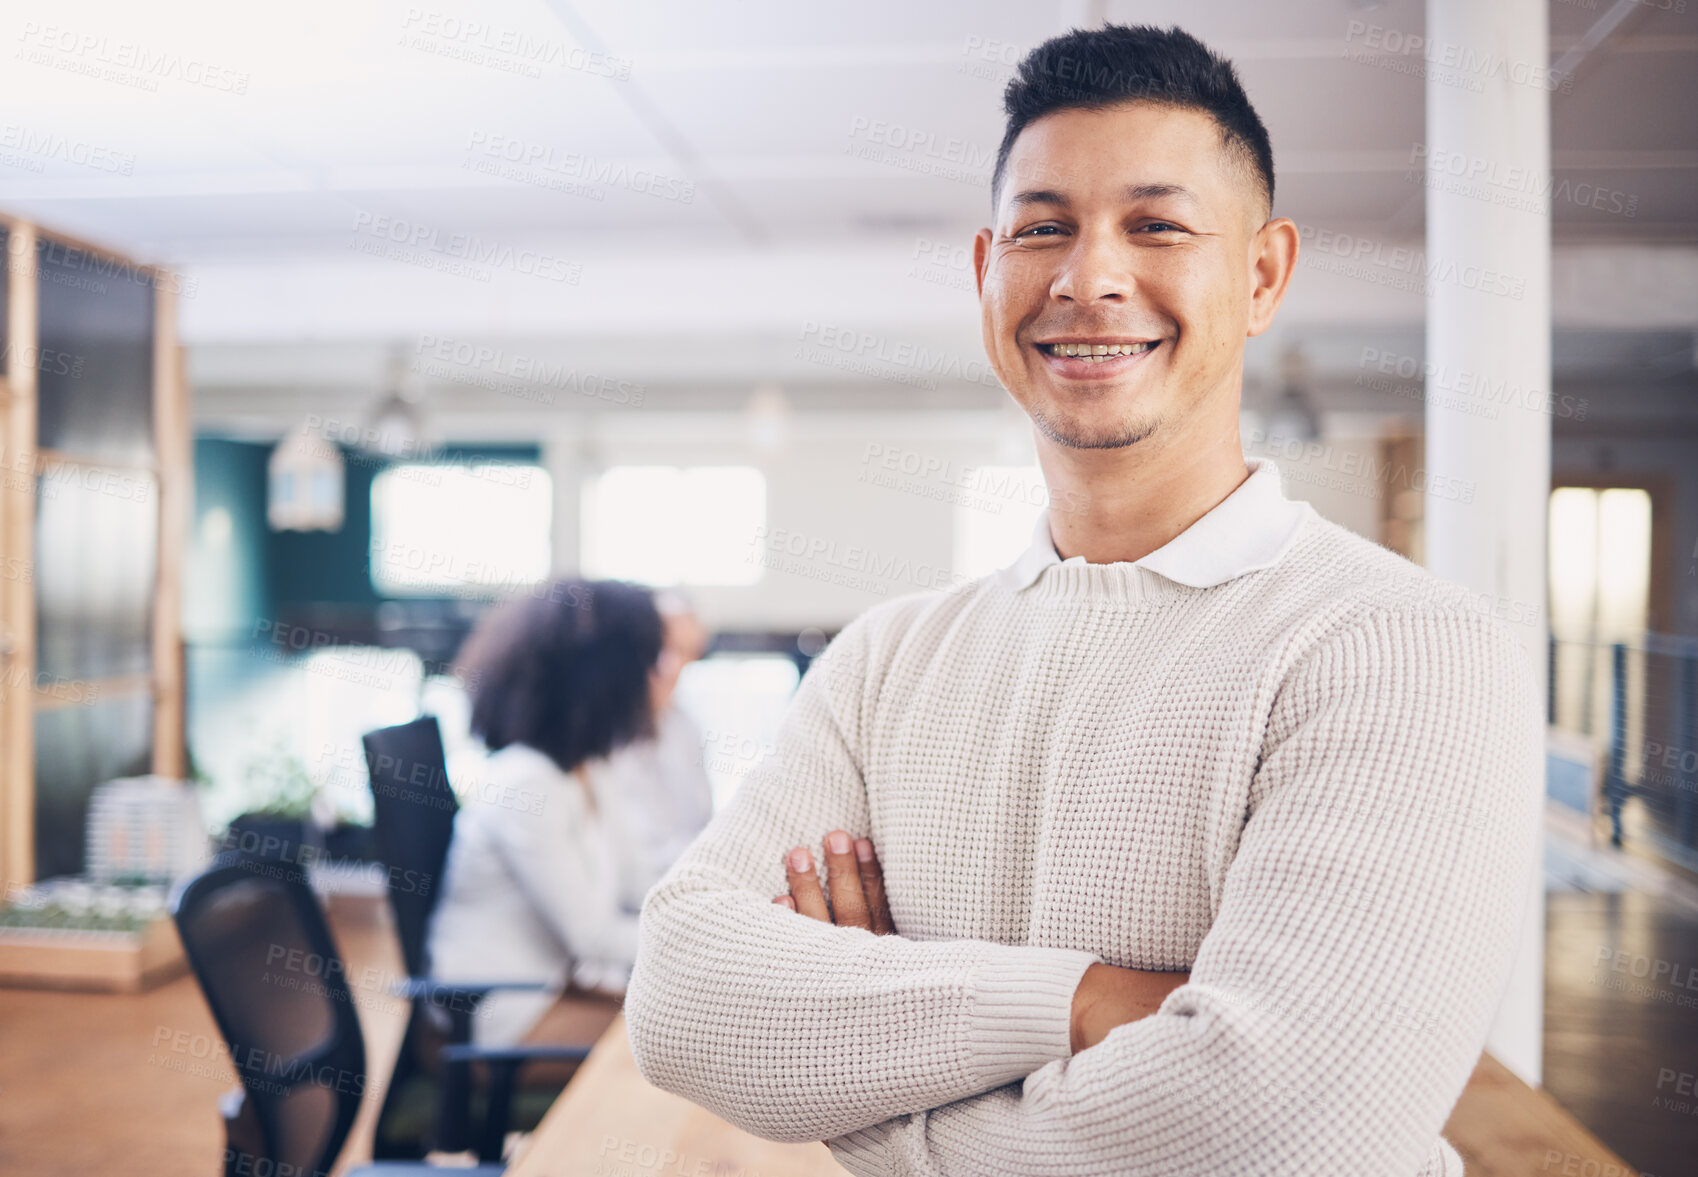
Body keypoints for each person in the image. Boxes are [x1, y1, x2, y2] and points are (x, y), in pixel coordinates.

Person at [624, 24, 1541, 1177]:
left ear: (1262, 275)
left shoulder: (1403, 649)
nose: (1088, 276)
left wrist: (864, 1080)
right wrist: (1094, 1001)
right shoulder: (888, 658)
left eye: (1156, 225)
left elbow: (1274, 1134)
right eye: (1042, 227)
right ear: (985, 269)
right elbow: (685, 997)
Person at [427, 578, 663, 1047]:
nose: (659, 676)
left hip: (557, 986)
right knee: (683, 1051)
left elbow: (640, 881)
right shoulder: (525, 783)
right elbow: (592, 937)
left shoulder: (588, 767)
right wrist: (707, 948)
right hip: (500, 1010)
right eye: (650, 662)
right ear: (606, 679)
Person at [588, 593, 715, 912]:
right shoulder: (592, 730)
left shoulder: (684, 726)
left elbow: (701, 825)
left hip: (686, 892)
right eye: (660, 646)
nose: (669, 665)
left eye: (685, 652)